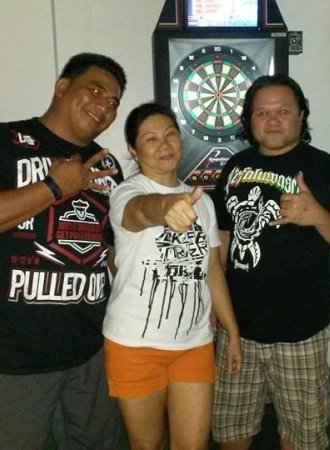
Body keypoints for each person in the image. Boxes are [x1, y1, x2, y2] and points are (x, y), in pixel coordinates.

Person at [0, 52, 128, 449]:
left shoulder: (107, 165)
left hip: (90, 350)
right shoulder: (1, 141)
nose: (105, 105)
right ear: (62, 87)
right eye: (96, 90)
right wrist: (54, 187)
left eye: (114, 101)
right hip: (14, 355)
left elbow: (113, 252)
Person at [211, 74, 330, 450]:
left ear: (301, 116)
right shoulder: (234, 167)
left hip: (301, 333)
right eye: (262, 113)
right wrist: (214, 305)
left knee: (302, 438)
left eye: (283, 111)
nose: (273, 120)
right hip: (238, 330)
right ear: (249, 120)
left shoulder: (323, 168)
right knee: (231, 431)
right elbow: (223, 239)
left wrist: (318, 216)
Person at [103, 102, 242, 450]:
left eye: (170, 134)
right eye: (150, 139)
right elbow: (140, 213)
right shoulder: (126, 192)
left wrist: (233, 331)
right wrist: (167, 206)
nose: (163, 144)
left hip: (194, 344)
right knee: (148, 444)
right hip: (135, 344)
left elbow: (212, 270)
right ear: (133, 149)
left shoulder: (202, 202)